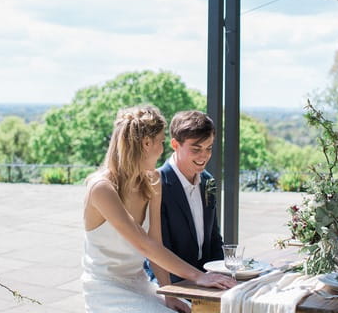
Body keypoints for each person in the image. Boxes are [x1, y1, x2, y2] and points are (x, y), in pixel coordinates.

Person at [82, 106, 236, 313]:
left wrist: (167, 292)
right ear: (146, 144)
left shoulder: (153, 180)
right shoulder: (102, 189)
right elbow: (145, 245)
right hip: (105, 288)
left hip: (141, 283)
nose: (163, 150)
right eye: (161, 142)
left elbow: (156, 241)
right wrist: (199, 276)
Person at [147, 110, 224, 288]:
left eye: (209, 148)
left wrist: (222, 276)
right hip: (167, 282)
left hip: (204, 280)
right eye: (196, 149)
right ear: (175, 144)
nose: (204, 156)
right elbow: (157, 249)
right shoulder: (157, 184)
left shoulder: (208, 181)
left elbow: (214, 239)